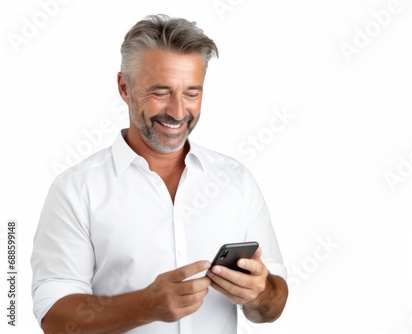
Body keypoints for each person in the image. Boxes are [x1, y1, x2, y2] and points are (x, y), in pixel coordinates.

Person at [31, 14, 288, 333]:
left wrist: (261, 293)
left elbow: (274, 303)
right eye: (161, 92)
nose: (179, 112)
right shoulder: (75, 189)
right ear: (125, 88)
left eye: (192, 93)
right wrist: (143, 306)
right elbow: (54, 318)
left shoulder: (237, 180)